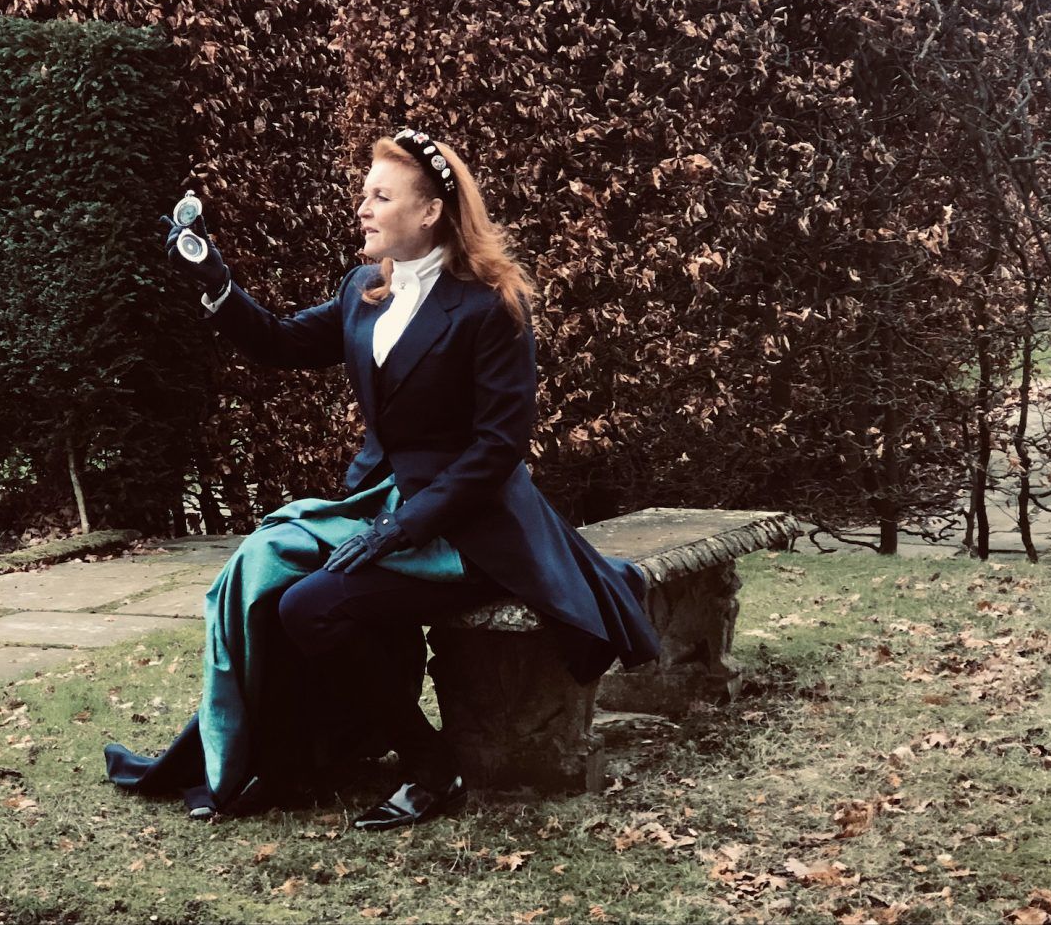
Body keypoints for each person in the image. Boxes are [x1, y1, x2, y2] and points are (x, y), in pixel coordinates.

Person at [105, 128, 659, 829]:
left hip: (473, 528)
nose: (362, 208)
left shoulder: (492, 306)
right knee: (263, 574)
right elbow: (278, 341)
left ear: (430, 212)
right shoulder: (365, 288)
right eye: (365, 193)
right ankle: (288, 758)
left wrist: (401, 527)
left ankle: (431, 768)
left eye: (380, 196)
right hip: (378, 503)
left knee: (309, 605)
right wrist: (214, 280)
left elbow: (498, 450)